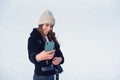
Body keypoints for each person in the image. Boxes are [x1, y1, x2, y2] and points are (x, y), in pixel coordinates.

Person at [27, 9, 64, 80]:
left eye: (51, 26)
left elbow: (60, 55)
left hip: (53, 74)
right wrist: (38, 57)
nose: (49, 28)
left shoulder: (52, 37)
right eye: (46, 25)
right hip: (41, 76)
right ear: (41, 24)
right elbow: (32, 55)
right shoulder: (34, 38)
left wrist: (59, 59)